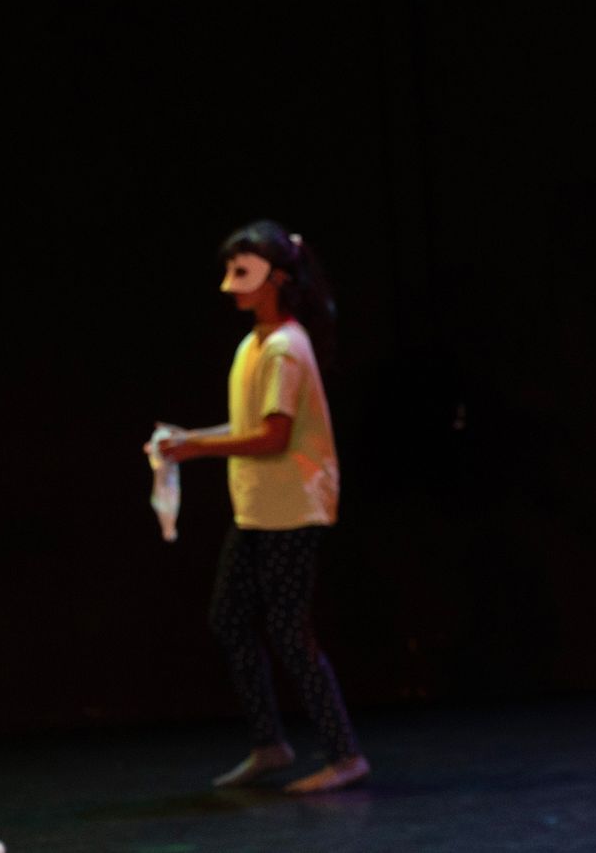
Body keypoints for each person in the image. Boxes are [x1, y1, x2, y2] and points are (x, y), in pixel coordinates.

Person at [153, 221, 368, 795]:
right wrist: (190, 439)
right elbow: (251, 425)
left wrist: (198, 449)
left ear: (276, 278)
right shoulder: (254, 345)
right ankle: (270, 744)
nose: (230, 285)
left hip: (292, 508)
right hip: (258, 510)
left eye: (241, 272)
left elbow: (274, 437)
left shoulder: (285, 348)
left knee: (290, 632)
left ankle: (345, 754)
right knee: (230, 618)